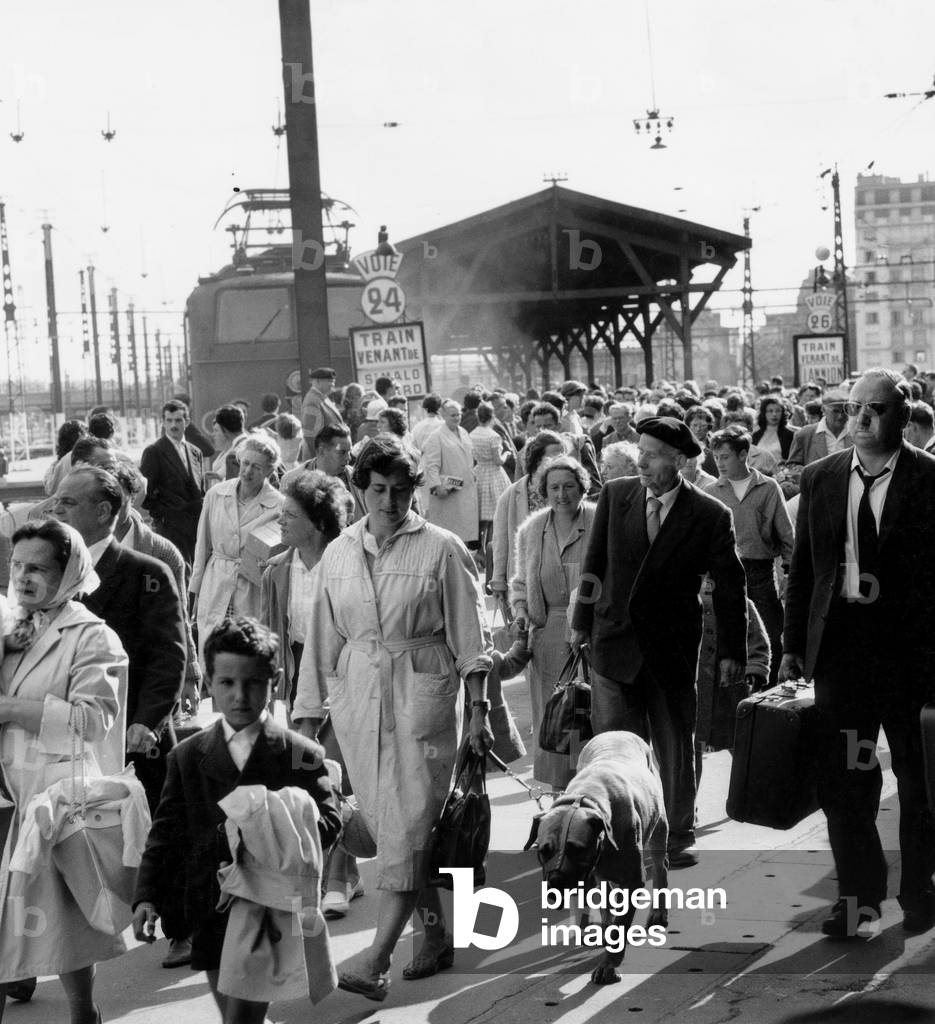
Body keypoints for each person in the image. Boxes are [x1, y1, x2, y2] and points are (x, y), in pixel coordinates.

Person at [292, 436, 492, 1000]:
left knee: (407, 823)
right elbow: (319, 644)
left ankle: (376, 961)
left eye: (401, 490)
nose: (389, 501)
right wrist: (306, 721)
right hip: (358, 697)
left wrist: (478, 712)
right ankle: (433, 937)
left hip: (422, 691)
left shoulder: (442, 548)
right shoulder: (337, 554)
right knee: (391, 825)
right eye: (377, 490)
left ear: (414, 491)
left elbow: (471, 637)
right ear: (359, 490)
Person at [781, 367, 935, 938]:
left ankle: (919, 894)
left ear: (901, 416)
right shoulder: (820, 478)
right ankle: (857, 899)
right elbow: (804, 571)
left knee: (918, 786)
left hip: (913, 662)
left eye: (875, 408)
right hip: (841, 657)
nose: (862, 418)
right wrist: (793, 646)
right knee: (846, 785)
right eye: (852, 407)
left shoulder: (928, 479)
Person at [132, 617, 341, 1024]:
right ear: (208, 682)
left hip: (271, 905)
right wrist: (147, 897)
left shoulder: (299, 752)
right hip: (210, 909)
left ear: (274, 681)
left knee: (241, 1018)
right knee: (234, 1013)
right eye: (227, 683)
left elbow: (329, 821)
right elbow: (166, 833)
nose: (240, 695)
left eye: (254, 683)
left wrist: (275, 820)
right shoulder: (188, 756)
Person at [570, 416, 747, 868]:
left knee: (673, 743)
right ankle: (615, 831)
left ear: (680, 462)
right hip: (614, 641)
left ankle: (674, 836)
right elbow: (593, 564)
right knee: (615, 747)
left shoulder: (709, 514)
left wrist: (731, 651)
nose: (641, 461)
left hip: (671, 648)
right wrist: (580, 621)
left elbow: (730, 585)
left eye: (651, 454)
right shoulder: (615, 494)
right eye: (640, 451)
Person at [0, 519, 128, 1023]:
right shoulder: (6, 623)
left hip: (55, 795)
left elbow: (91, 722)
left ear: (69, 571)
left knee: (69, 920)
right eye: (16, 565)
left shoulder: (91, 636)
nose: (24, 577)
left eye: (38, 568)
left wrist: (12, 709)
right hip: (5, 793)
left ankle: (82, 1012)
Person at [52, 467, 187, 812]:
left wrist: (147, 721)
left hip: (133, 741)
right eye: (56, 502)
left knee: (144, 844)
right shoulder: (48, 571)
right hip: (61, 740)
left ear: (101, 512)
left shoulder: (148, 573)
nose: (57, 510)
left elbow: (168, 655)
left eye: (67, 502)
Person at [259, 470, 361, 918]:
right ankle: (339, 873)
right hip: (299, 680)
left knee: (337, 773)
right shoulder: (276, 570)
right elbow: (270, 636)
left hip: (345, 677)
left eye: (290, 515)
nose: (280, 521)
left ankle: (337, 877)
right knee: (305, 775)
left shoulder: (347, 564)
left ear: (318, 523)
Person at [511, 455, 596, 790]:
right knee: (556, 715)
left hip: (591, 633)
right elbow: (521, 582)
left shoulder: (597, 520)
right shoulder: (533, 529)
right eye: (554, 487)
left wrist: (587, 622)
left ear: (582, 488)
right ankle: (561, 792)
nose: (562, 494)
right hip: (548, 637)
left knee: (588, 713)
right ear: (543, 491)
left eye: (569, 487)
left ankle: (588, 784)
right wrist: (520, 611)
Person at [704, 426, 794, 688]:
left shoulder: (768, 487)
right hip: (722, 574)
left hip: (760, 572)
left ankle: (769, 696)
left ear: (743, 455)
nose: (719, 463)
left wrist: (789, 575)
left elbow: (788, 537)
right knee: (728, 637)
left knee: (770, 635)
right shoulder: (712, 491)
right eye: (716, 457)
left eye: (726, 457)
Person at [191, 435, 284, 667]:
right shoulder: (216, 494)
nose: (248, 471)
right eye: (245, 463)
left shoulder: (279, 504)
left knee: (247, 653)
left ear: (269, 471)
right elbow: (202, 546)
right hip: (216, 581)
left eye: (257, 467)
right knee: (213, 653)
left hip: (252, 587)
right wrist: (195, 590)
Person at [489, 430, 566, 598]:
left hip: (562, 576)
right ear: (538, 460)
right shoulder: (511, 495)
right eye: (555, 457)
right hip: (524, 578)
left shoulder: (568, 491)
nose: (562, 461)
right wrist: (498, 581)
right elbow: (501, 541)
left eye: (563, 455)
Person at [140, 399, 206, 567]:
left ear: (187, 422)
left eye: (178, 420)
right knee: (178, 570)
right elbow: (145, 493)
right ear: (163, 422)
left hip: (196, 524)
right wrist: (163, 514)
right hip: (170, 526)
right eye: (169, 420)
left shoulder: (195, 452)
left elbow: (200, 489)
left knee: (197, 570)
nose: (173, 425)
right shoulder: (154, 451)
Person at [422, 399, 479, 547]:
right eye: (453, 415)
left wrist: (473, 475)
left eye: (458, 414)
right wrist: (437, 486)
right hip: (447, 492)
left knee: (465, 533)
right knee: (448, 536)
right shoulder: (436, 436)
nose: (456, 418)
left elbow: (470, 458)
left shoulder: (464, 432)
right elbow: (431, 466)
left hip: (465, 489)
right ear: (443, 415)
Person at [471, 401, 511, 553]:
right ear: (492, 416)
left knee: (481, 515)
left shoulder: (472, 434)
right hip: (494, 474)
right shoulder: (493, 436)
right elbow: (497, 461)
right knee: (495, 515)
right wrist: (507, 454)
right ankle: (488, 549)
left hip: (479, 472)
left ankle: (480, 548)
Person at [785, 387, 852, 474]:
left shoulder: (856, 433)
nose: (840, 416)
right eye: (835, 411)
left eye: (845, 411)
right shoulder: (805, 434)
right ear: (823, 410)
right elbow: (792, 466)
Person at [300, 367, 344, 456]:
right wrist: (322, 457)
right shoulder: (312, 401)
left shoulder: (321, 397)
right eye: (329, 381)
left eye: (333, 381)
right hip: (324, 458)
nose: (333, 384)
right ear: (317, 382)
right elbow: (311, 436)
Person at [208, 404, 247, 486]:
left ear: (224, 430)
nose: (213, 434)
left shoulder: (240, 449)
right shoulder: (239, 445)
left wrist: (220, 478)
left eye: (217, 430)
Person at [752, 395, 796, 462]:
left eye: (778, 411)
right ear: (764, 413)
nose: (774, 414)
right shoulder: (755, 435)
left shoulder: (790, 435)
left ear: (782, 413)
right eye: (770, 411)